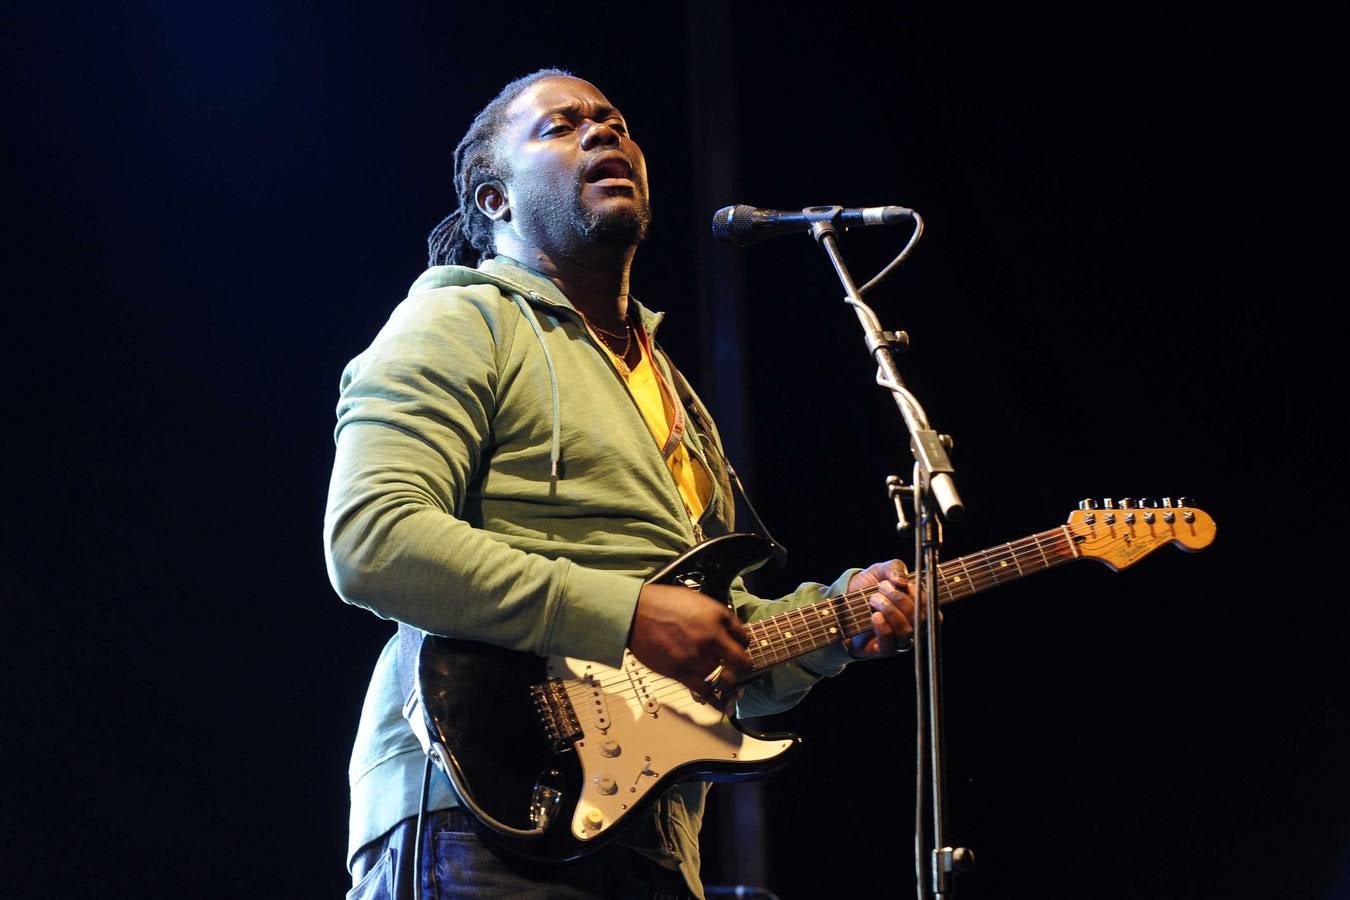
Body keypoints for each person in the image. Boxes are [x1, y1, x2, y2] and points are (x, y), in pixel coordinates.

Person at [323, 68, 916, 900]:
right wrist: (630, 614)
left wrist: (841, 620)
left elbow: (713, 637)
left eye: (614, 120)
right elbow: (372, 541)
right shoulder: (461, 319)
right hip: (477, 805)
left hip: (655, 831)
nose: (604, 132)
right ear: (494, 201)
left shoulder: (671, 390)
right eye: (561, 128)